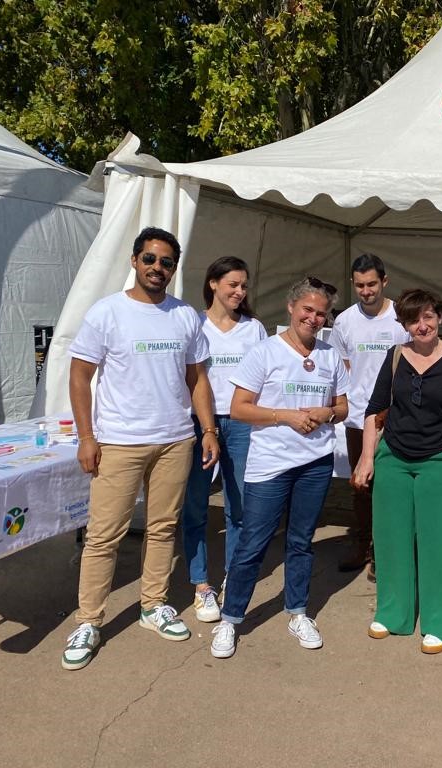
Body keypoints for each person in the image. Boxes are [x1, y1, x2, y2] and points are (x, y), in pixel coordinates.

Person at [62, 227, 219, 671]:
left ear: (174, 268)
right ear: (134, 261)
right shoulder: (106, 313)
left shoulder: (185, 315)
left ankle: (153, 605)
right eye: (150, 259)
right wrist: (87, 437)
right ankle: (89, 620)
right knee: (103, 536)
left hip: (175, 439)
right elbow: (79, 377)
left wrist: (208, 429)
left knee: (163, 528)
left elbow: (197, 379)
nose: (157, 268)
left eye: (166, 262)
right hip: (118, 442)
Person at [209, 277, 349, 659]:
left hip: (315, 463)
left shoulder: (329, 355)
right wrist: (284, 416)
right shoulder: (264, 352)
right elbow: (239, 408)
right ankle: (230, 618)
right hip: (270, 465)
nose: (314, 318)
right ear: (291, 308)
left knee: (301, 542)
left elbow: (343, 407)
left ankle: (298, 611)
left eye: (321, 313)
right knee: (253, 543)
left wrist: (327, 412)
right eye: (308, 310)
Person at [352, 288, 442, 654]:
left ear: (439, 317)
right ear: (404, 324)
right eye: (412, 319)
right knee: (391, 539)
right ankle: (394, 614)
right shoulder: (395, 357)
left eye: (427, 317)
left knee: (439, 543)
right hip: (394, 459)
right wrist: (366, 457)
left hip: (441, 460)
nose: (421, 326)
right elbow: (375, 410)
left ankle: (440, 624)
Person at [181, 257, 267, 623]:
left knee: (240, 505)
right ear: (213, 283)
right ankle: (201, 584)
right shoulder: (193, 324)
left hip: (242, 423)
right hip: (200, 423)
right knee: (196, 505)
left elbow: (266, 377)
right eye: (233, 284)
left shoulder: (254, 328)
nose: (239, 291)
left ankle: (234, 576)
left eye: (244, 285)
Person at [329, 254, 410, 577]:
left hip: (396, 419)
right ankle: (361, 545)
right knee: (361, 487)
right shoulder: (345, 321)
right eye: (360, 285)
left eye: (372, 284)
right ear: (353, 284)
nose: (366, 291)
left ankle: (385, 551)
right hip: (358, 419)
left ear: (384, 282)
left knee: (391, 487)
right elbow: (342, 369)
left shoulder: (400, 318)